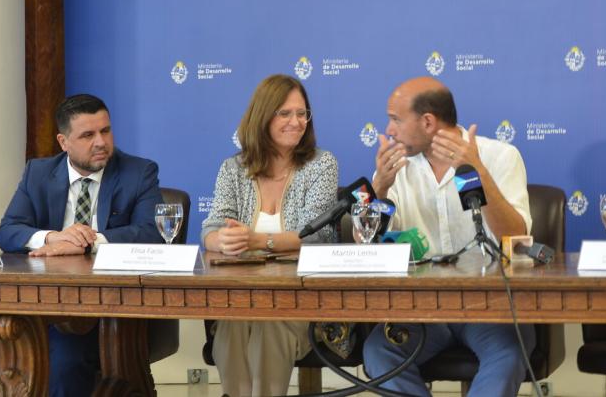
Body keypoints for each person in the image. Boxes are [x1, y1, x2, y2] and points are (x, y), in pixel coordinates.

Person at [0, 94, 164, 397]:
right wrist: (51, 238)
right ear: (63, 142)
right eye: (88, 135)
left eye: (105, 130)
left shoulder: (138, 172)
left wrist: (87, 240)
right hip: (40, 304)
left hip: (103, 310)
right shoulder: (38, 172)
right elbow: (8, 231)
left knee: (65, 359)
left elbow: (152, 233)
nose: (101, 142)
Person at [362, 77, 534, 397]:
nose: (389, 130)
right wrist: (380, 191)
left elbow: (517, 237)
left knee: (508, 356)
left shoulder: (500, 156)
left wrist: (477, 171)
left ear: (428, 121)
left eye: (396, 119)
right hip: (420, 310)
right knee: (378, 352)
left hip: (490, 307)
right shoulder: (394, 169)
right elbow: (367, 248)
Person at [202, 74, 339, 397]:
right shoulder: (233, 168)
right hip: (242, 296)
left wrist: (257, 242)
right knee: (233, 324)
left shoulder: (321, 165)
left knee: (268, 322)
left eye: (302, 113)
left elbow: (318, 236)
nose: (296, 122)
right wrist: (222, 240)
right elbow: (210, 228)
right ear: (263, 116)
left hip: (301, 302)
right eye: (285, 113)